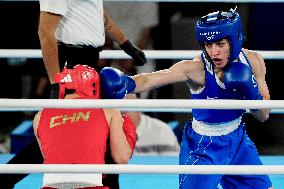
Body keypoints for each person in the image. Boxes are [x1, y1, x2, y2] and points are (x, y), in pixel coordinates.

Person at [99, 8, 273, 189]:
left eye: (220, 44)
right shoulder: (196, 69)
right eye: (208, 45)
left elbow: (264, 115)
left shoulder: (253, 61)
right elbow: (152, 79)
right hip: (203, 146)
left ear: (234, 40)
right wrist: (125, 82)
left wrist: (250, 89)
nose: (214, 52)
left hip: (238, 140)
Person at [33, 64, 135, 189]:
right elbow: (121, 158)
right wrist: (128, 128)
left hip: (50, 186)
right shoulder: (107, 110)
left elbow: (49, 155)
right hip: (90, 185)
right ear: (93, 86)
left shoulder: (40, 116)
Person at [38, 0, 147, 98]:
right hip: (71, 60)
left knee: (90, 112)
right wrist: (56, 83)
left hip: (91, 58)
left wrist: (127, 46)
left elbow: (101, 17)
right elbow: (45, 33)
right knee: (72, 115)